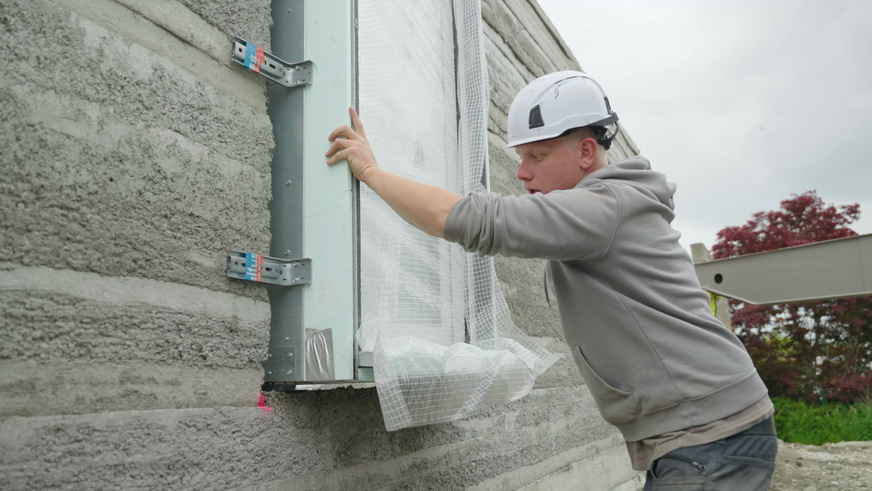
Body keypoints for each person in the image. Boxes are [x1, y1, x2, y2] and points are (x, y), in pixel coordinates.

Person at [326, 71, 777, 490]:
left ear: (585, 151)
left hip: (710, 436)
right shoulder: (611, 206)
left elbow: (465, 218)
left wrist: (371, 172)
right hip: (707, 431)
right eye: (521, 157)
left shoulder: (602, 208)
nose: (522, 172)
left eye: (537, 156)